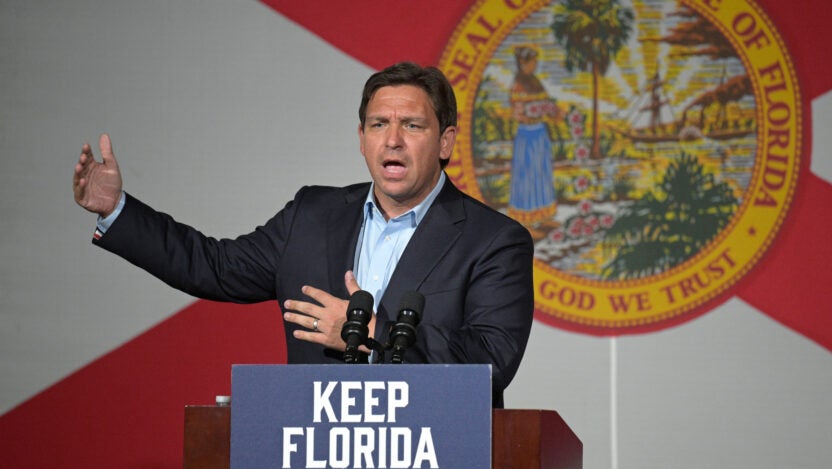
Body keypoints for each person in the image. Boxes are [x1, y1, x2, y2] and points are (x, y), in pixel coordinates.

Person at [72, 62, 534, 407]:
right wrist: (117, 210)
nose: (393, 139)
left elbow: (490, 360)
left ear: (445, 141)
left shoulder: (493, 241)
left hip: (432, 463)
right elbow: (212, 266)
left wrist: (370, 333)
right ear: (361, 138)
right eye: (379, 124)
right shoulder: (312, 215)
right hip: (317, 464)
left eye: (412, 125)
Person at [508, 45, 558, 231]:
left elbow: (546, 103)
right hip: (527, 135)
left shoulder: (536, 82)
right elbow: (517, 113)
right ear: (523, 63)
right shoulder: (518, 85)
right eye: (532, 62)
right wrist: (532, 112)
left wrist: (551, 110)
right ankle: (526, 223)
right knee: (527, 177)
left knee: (542, 174)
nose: (535, 65)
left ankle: (544, 216)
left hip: (540, 133)